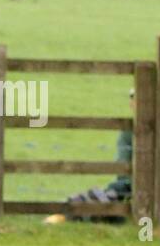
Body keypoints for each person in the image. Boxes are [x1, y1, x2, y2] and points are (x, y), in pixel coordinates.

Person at [43, 88, 132, 224]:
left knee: (112, 196)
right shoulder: (128, 131)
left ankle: (71, 216)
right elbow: (123, 172)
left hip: (136, 190)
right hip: (128, 187)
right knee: (110, 194)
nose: (133, 102)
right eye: (132, 98)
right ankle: (70, 214)